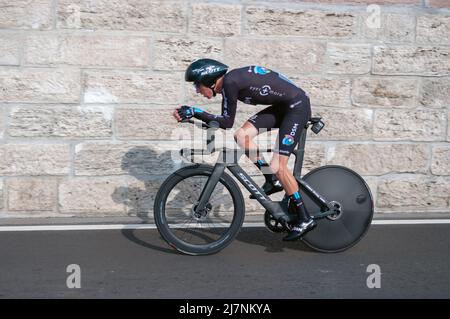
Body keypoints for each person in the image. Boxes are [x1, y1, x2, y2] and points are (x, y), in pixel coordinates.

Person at [173, 58, 316, 241]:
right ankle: (271, 179)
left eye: (198, 85)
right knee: (242, 136)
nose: (197, 90)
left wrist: (195, 111)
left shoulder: (230, 82)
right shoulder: (230, 83)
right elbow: (227, 124)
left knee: (278, 165)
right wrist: (195, 114)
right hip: (283, 107)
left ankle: (305, 218)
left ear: (209, 80)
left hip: (297, 107)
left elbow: (226, 122)